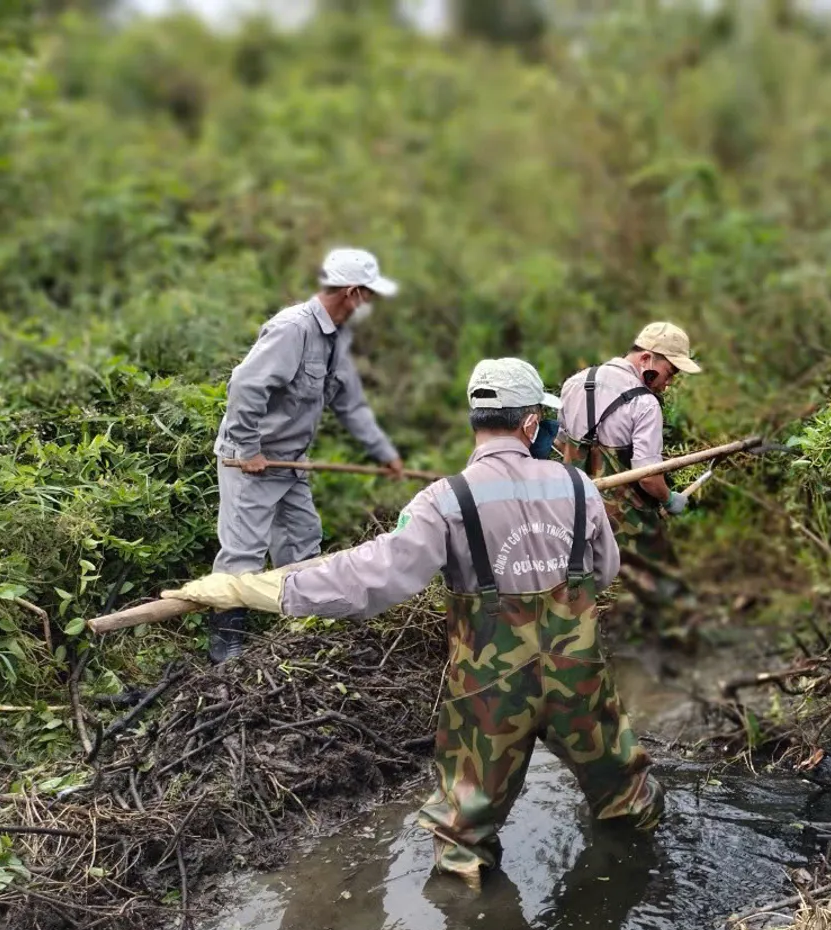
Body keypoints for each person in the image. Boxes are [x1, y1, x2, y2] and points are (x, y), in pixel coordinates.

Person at [167, 357, 664, 887]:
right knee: (627, 794)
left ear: (475, 420)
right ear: (529, 424)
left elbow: (369, 578)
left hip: (491, 691)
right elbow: (605, 570)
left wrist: (249, 587)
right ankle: (640, 878)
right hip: (578, 676)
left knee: (463, 832)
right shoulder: (579, 487)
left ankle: (473, 926)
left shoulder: (446, 500)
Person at [208, 248, 406, 664]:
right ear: (352, 292)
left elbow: (350, 404)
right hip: (253, 461)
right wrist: (248, 449)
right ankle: (226, 645)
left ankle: (300, 633)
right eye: (367, 295)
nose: (369, 304)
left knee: (302, 543)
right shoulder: (292, 329)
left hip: (291, 462)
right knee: (243, 551)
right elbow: (246, 387)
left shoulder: (337, 338)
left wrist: (383, 453)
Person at [555, 322, 701, 594]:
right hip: (624, 519)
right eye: (669, 373)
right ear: (646, 358)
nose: (667, 384)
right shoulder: (645, 404)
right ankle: (677, 630)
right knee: (663, 585)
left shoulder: (575, 382)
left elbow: (561, 442)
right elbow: (647, 478)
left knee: (580, 582)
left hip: (574, 507)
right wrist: (669, 498)